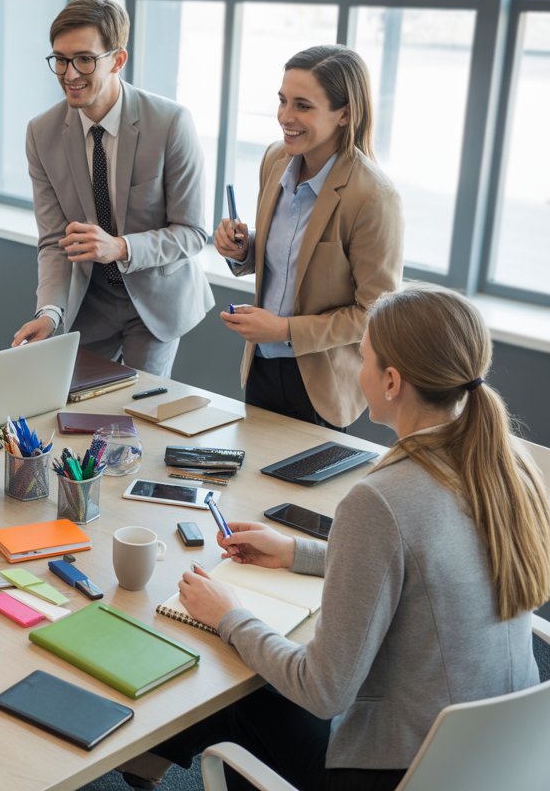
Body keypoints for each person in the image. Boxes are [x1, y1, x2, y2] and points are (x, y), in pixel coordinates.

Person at [121, 284, 550, 791]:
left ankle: (141, 754)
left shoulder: (382, 498)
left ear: (392, 381)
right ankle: (147, 760)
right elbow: (429, 562)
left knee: (247, 688)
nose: (356, 369)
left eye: (361, 357)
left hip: (400, 769)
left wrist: (228, 615)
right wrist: (298, 552)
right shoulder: (503, 462)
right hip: (498, 757)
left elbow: (322, 691)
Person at [12, 0, 213, 378]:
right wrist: (50, 312)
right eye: (60, 59)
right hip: (89, 301)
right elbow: (55, 241)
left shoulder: (171, 123)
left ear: (118, 59)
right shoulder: (42, 133)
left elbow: (192, 234)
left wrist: (120, 247)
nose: (69, 74)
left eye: (85, 59)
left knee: (139, 416)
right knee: (75, 408)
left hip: (156, 298)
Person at [214, 45, 403, 430]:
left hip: (324, 383)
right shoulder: (274, 160)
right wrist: (242, 248)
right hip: (261, 366)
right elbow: (286, 257)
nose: (285, 116)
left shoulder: (373, 196)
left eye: (302, 105)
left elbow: (374, 315)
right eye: (283, 101)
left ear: (344, 113)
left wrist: (283, 330)